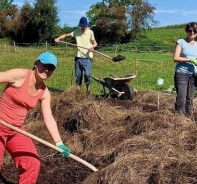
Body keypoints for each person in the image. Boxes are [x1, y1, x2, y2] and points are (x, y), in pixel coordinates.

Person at [0, 51, 70, 184]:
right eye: (44, 65)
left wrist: (59, 143)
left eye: (51, 68)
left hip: (16, 130)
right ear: (36, 63)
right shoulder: (20, 75)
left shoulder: (44, 92)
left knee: (32, 164)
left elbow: (48, 118)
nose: (47, 70)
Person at [55, 16, 97, 93]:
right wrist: (58, 38)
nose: (83, 28)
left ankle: (88, 89)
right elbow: (66, 35)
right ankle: (78, 92)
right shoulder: (76, 32)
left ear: (86, 26)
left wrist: (92, 47)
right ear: (80, 25)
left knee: (87, 74)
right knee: (78, 75)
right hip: (78, 57)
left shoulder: (90, 32)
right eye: (82, 26)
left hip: (87, 57)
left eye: (85, 26)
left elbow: (95, 43)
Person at [173, 22, 197, 118]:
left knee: (190, 98)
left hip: (193, 75)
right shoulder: (181, 42)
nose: (192, 32)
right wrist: (190, 59)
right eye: (190, 30)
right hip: (182, 74)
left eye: (194, 31)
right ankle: (179, 119)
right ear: (187, 31)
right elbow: (175, 58)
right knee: (181, 97)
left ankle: (189, 117)